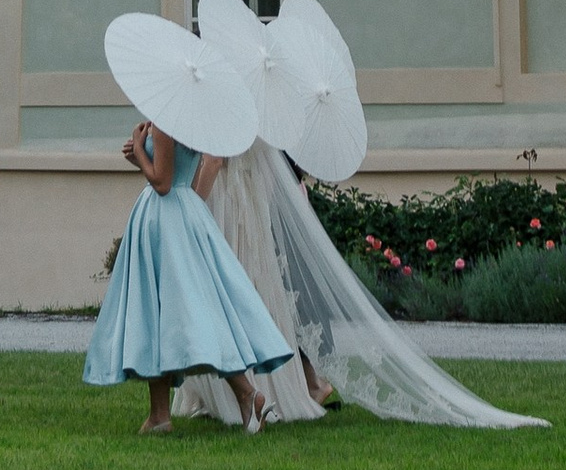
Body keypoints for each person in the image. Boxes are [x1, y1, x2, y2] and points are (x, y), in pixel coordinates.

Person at [179, 143, 544, 432]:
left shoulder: (222, 102)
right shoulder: (254, 106)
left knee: (228, 297)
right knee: (253, 293)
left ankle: (245, 394)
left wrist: (193, 206)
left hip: (227, 205)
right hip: (245, 205)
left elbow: (214, 159)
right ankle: (259, 390)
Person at [82, 118, 294, 433]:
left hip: (165, 218)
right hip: (183, 212)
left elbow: (162, 183)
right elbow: (177, 171)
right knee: (166, 314)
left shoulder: (166, 123)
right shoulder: (189, 121)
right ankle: (162, 414)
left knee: (165, 311)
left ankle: (242, 395)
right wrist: (140, 158)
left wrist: (139, 148)